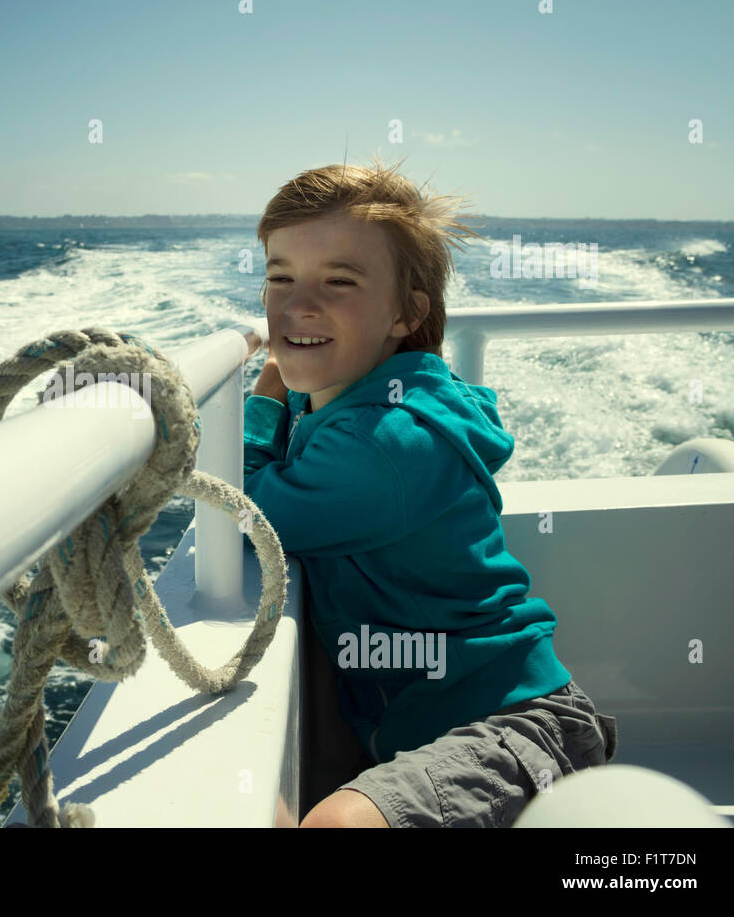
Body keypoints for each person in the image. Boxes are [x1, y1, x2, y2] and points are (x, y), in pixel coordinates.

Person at [242, 156, 618, 827]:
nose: (298, 305)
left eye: (340, 280)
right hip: (407, 718)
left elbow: (243, 508)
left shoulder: (384, 442)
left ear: (405, 312)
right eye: (280, 277)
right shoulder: (369, 400)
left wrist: (263, 401)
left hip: (517, 729)